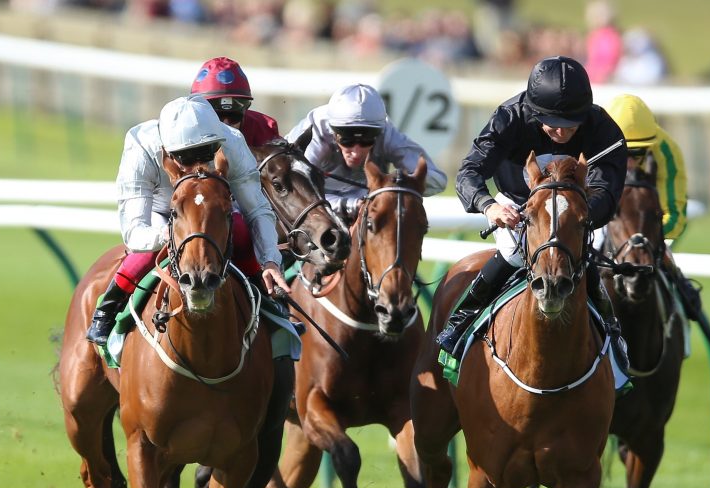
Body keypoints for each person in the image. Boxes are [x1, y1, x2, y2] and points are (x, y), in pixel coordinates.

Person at [441, 55, 628, 369]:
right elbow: (469, 172)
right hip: (519, 206)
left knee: (584, 259)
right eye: (552, 122)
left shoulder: (602, 129)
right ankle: (458, 324)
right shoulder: (509, 117)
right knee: (513, 254)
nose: (561, 131)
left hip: (573, 213)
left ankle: (612, 334)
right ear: (533, 110)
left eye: (571, 123)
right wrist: (489, 206)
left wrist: (574, 218)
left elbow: (608, 192)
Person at [84, 95, 289, 346]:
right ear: (167, 153)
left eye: (206, 154)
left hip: (208, 211)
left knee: (244, 234)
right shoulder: (141, 146)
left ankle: (266, 298)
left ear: (217, 142)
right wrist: (176, 231)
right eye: (187, 158)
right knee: (148, 253)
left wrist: (270, 260)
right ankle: (108, 307)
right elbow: (135, 233)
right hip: (162, 212)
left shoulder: (232, 143)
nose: (199, 166)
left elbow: (257, 209)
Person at [285, 83, 447, 224]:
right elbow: (295, 194)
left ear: (378, 133)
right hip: (311, 200)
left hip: (366, 199)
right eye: (347, 141)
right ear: (334, 133)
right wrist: (350, 204)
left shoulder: (386, 133)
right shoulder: (316, 133)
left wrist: (394, 184)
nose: (356, 152)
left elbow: (437, 180)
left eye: (366, 141)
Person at [604, 93, 702, 318]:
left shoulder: (666, 152)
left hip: (646, 226)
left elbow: (675, 217)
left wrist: (644, 239)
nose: (628, 163)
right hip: (602, 216)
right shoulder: (590, 143)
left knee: (661, 262)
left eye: (637, 154)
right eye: (623, 153)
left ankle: (681, 292)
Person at [189, 56, 280, 146]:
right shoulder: (182, 129)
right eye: (217, 117)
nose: (226, 125)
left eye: (234, 116)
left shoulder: (265, 128)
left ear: (245, 109)